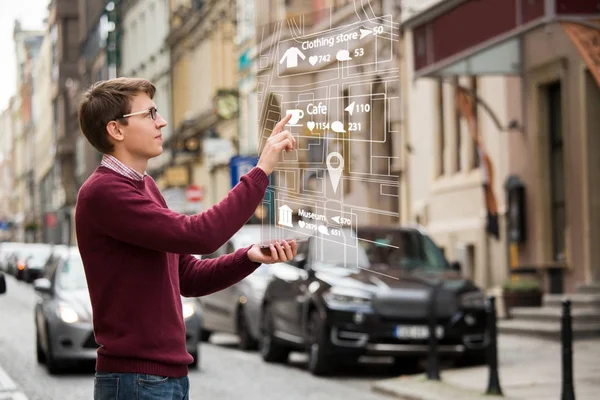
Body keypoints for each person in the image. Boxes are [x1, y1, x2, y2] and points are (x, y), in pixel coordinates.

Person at [75, 77, 297, 400]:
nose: (161, 121)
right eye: (150, 114)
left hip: (166, 379)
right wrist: (261, 169)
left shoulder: (146, 187)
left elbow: (187, 276)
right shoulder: (103, 193)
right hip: (136, 381)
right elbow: (201, 234)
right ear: (116, 130)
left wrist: (248, 257)